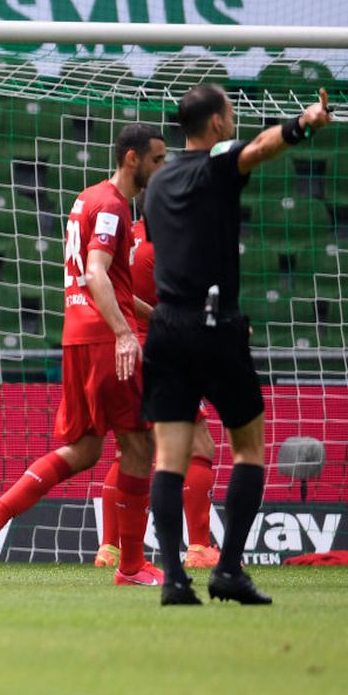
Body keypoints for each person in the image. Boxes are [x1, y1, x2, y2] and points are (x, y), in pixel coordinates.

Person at [144, 85, 332, 605]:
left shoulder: (156, 185)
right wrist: (304, 123)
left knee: (169, 459)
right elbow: (257, 151)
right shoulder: (217, 164)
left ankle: (174, 581)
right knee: (248, 447)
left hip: (165, 326)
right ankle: (227, 570)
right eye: (231, 115)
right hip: (213, 323)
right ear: (219, 126)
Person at [0, 123, 167, 587]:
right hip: (102, 337)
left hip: (77, 334)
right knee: (139, 444)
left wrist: (154, 318)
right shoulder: (114, 206)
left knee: (85, 449)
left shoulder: (86, 198)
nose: (163, 167)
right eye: (157, 159)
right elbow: (97, 275)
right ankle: (131, 566)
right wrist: (124, 333)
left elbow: (107, 281)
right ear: (131, 159)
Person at [94, 216, 222, 570]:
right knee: (198, 445)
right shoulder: (175, 239)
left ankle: (109, 548)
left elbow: (108, 286)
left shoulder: (123, 236)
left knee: (129, 450)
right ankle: (198, 547)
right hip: (166, 352)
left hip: (126, 350)